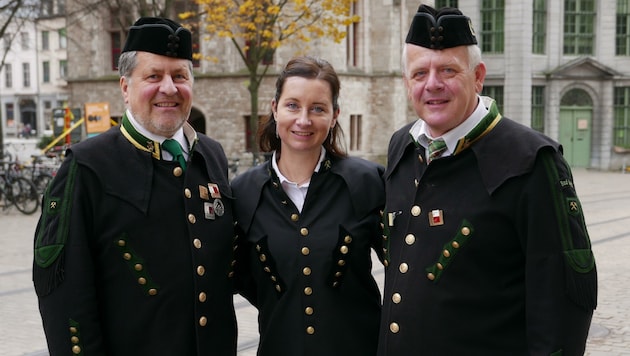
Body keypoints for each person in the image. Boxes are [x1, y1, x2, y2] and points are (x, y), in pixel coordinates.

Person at [378, 5, 598, 355]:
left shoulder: (531, 160)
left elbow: (562, 305)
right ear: (407, 83)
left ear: (478, 76)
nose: (432, 84)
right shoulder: (401, 146)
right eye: (420, 73)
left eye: (448, 70)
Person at [32, 17, 237, 355]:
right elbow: (65, 298)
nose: (169, 88)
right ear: (125, 88)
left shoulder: (210, 155)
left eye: (180, 76)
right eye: (153, 76)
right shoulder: (87, 167)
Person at [232, 56, 384, 356]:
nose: (304, 120)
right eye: (292, 105)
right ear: (275, 109)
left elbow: (405, 272)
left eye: (318, 109)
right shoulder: (243, 193)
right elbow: (245, 280)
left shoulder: (367, 182)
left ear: (335, 114)